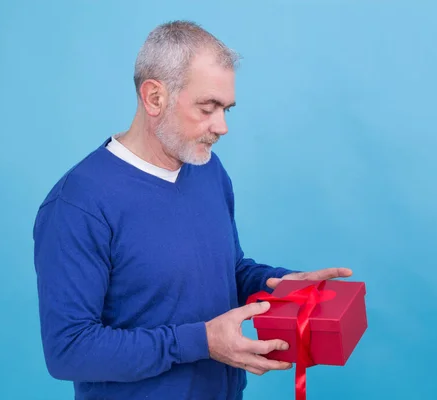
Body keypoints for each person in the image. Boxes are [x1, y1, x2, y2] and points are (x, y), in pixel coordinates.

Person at [32, 20, 352, 400]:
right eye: (208, 108)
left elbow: (226, 271)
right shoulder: (78, 205)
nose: (222, 127)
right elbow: (68, 350)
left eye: (227, 109)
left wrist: (277, 285)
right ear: (154, 98)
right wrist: (200, 341)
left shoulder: (207, 169)